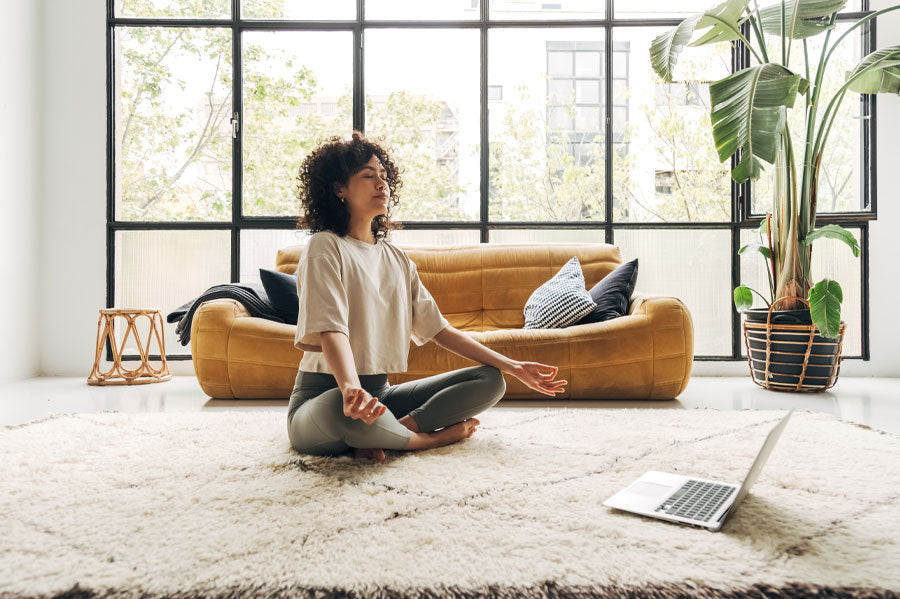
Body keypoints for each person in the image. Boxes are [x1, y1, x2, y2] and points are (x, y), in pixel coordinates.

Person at [286, 131, 567, 464]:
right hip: (324, 398)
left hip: (380, 396)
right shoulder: (325, 246)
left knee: (490, 380)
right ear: (339, 188)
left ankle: (393, 430)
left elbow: (440, 331)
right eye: (368, 176)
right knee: (341, 411)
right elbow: (332, 329)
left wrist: (513, 365)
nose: (382, 184)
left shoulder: (398, 260)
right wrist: (349, 389)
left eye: (384, 176)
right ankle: (424, 440)